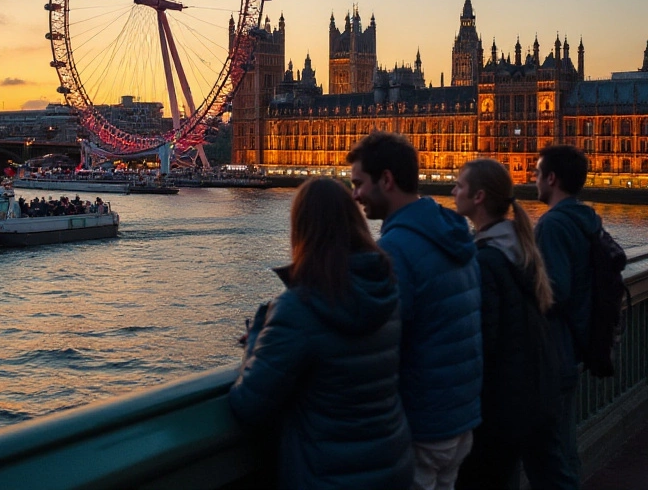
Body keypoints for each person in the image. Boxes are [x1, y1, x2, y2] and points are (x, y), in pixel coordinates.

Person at [229, 177, 413, 489]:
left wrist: (259, 334)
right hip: (391, 463)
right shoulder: (387, 290)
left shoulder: (298, 308)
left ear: (300, 230)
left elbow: (248, 404)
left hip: (328, 473)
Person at [347, 132, 481, 490]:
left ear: (386, 180)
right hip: (460, 418)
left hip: (422, 424)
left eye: (358, 183)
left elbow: (370, 339)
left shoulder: (397, 250)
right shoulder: (455, 234)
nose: (355, 195)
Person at [450, 159, 560, 490]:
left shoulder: (486, 260)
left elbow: (482, 342)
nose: (453, 191)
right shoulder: (517, 250)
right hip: (524, 402)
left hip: (494, 412)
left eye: (459, 186)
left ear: (479, 197)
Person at [533, 144, 602, 489]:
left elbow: (554, 291)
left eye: (537, 172)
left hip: (555, 348)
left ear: (552, 178)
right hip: (578, 341)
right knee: (564, 445)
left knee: (551, 455)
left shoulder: (552, 225)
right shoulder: (587, 218)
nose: (533, 179)